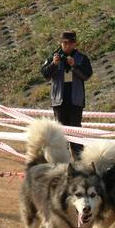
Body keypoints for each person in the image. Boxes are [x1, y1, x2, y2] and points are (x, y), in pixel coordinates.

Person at [40, 31, 93, 159]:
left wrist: (74, 66)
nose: (68, 46)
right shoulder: (53, 57)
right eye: (65, 43)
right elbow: (45, 75)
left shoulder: (82, 58)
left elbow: (87, 75)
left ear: (75, 43)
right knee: (60, 135)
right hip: (59, 102)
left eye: (71, 43)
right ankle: (61, 163)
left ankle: (79, 164)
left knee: (76, 135)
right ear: (61, 43)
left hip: (76, 102)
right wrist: (54, 64)